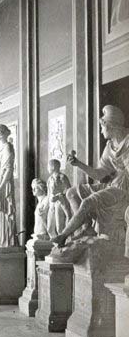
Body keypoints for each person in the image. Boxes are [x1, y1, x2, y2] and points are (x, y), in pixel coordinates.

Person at [53, 105, 129, 248]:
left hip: (124, 189)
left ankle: (63, 235)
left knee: (89, 202)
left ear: (111, 125)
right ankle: (86, 227)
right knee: (71, 193)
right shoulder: (110, 146)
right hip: (113, 185)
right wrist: (78, 164)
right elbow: (100, 174)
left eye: (102, 127)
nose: (101, 131)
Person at [46, 159, 72, 238]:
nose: (47, 168)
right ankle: (55, 245)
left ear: (53, 167)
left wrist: (58, 196)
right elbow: (49, 193)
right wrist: (46, 205)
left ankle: (62, 245)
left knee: (59, 228)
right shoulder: (50, 179)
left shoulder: (62, 177)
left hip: (60, 203)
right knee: (50, 228)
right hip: (52, 205)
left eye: (48, 166)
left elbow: (69, 191)